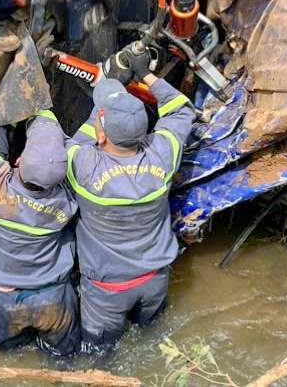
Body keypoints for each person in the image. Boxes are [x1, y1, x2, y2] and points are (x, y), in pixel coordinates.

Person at [65, 42, 196, 352]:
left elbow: (71, 144)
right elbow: (180, 107)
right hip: (154, 280)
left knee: (99, 355)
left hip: (106, 292)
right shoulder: (163, 155)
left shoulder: (84, 168)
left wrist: (99, 113)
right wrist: (145, 75)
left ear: (101, 133)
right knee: (155, 344)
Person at [0, 109, 81, 356]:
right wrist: (44, 115)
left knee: (8, 354)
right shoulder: (67, 202)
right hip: (54, 298)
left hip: (6, 296)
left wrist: (15, 106)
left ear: (19, 161)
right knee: (63, 358)